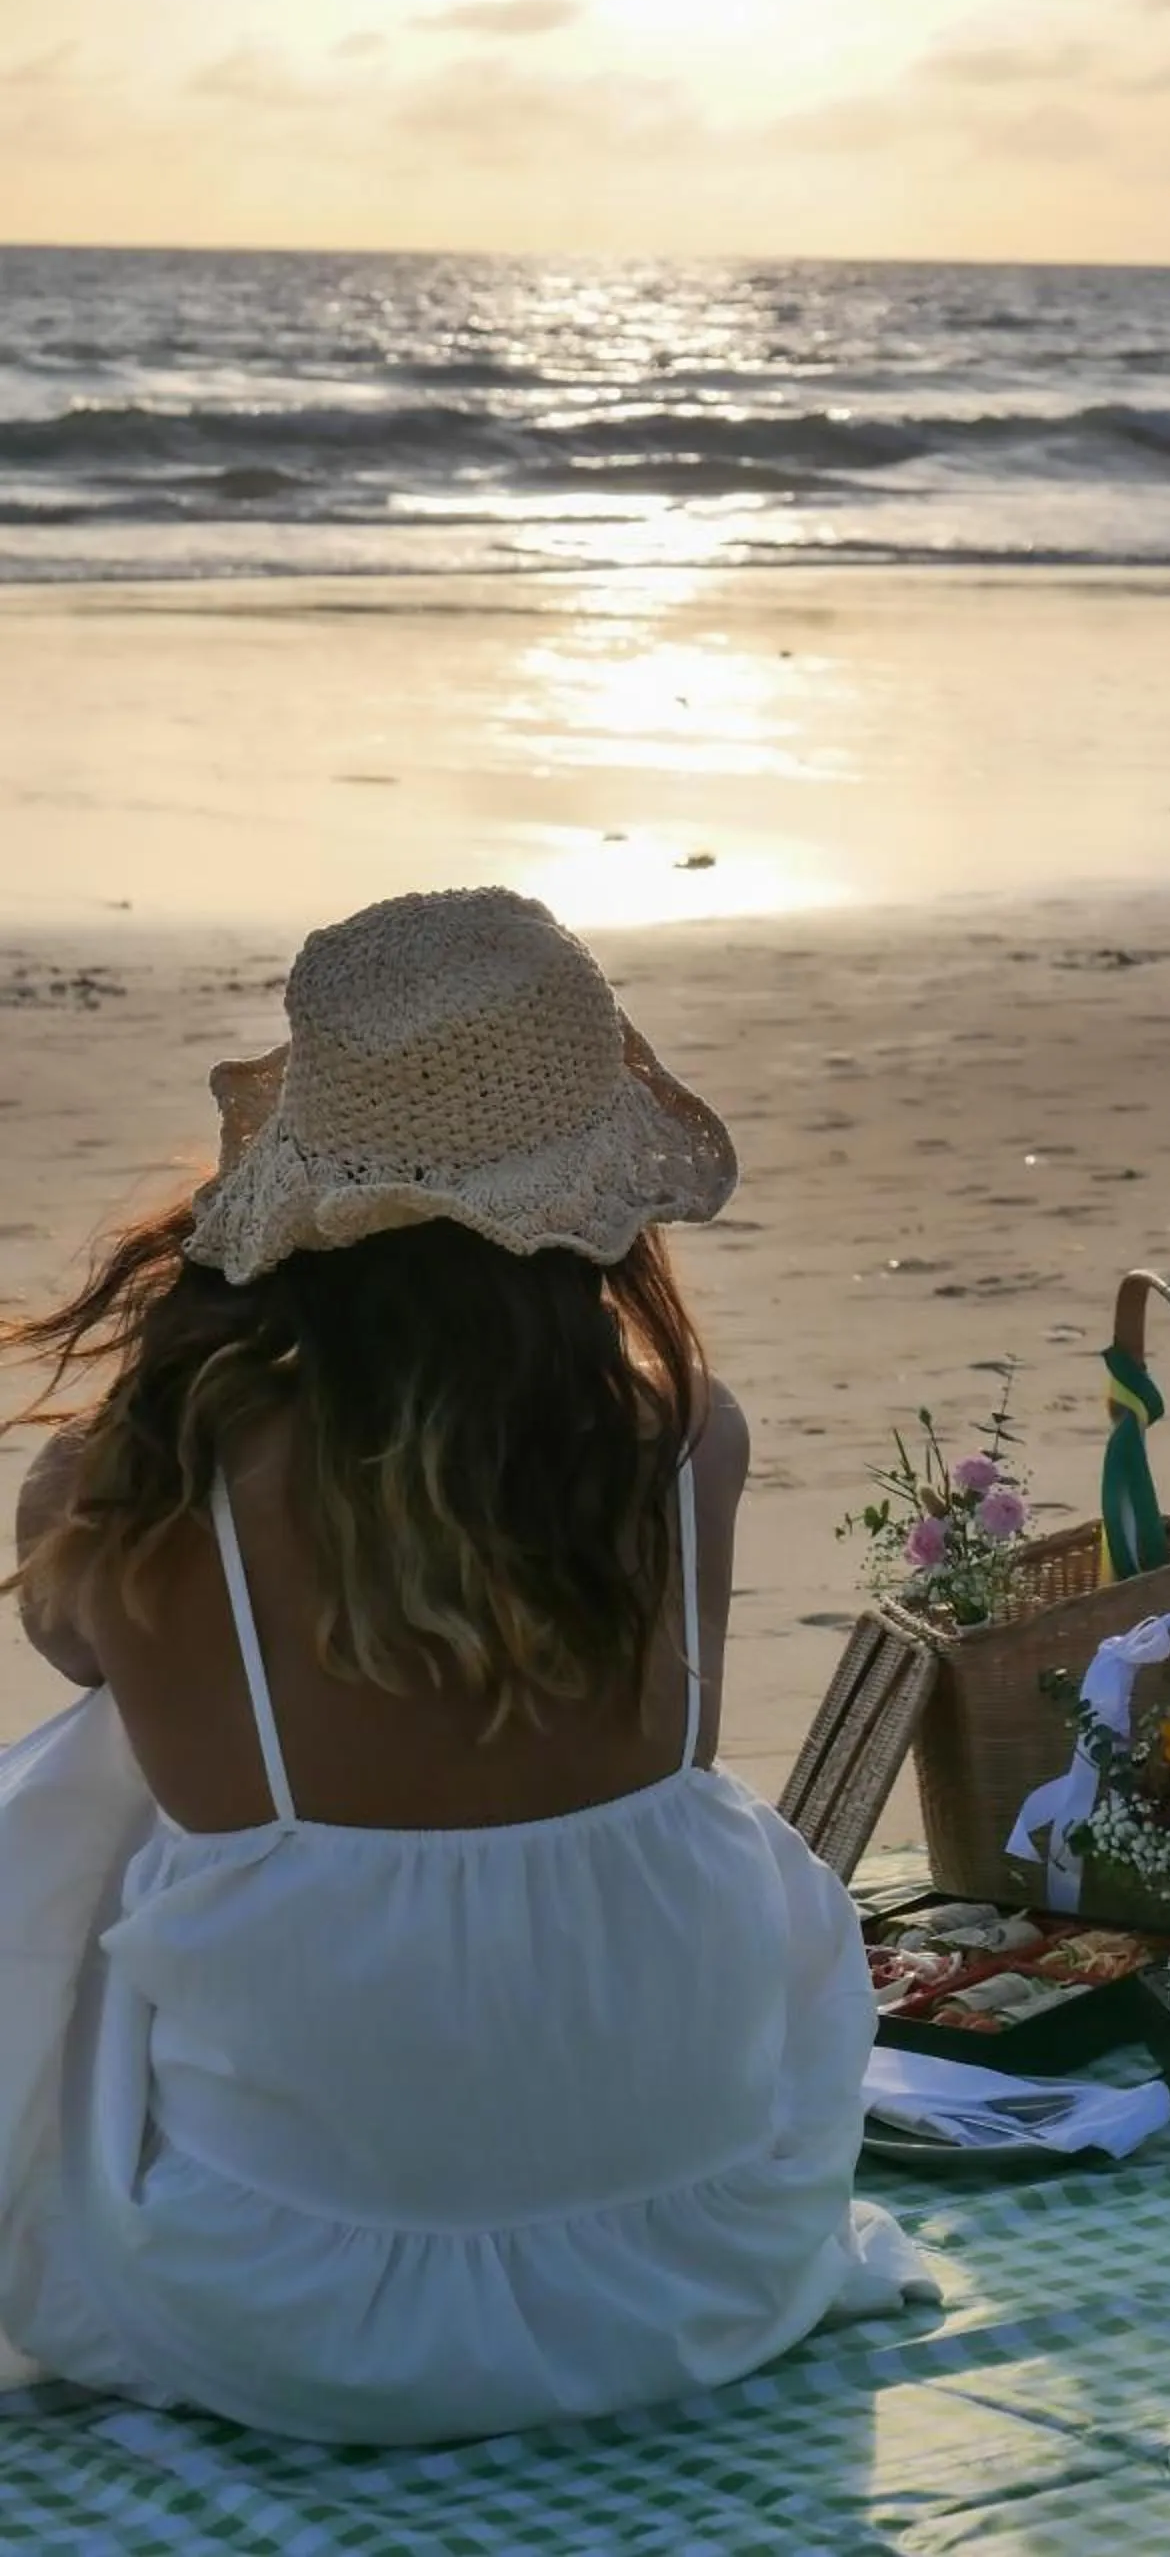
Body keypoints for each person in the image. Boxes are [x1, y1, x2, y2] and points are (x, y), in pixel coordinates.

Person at [0, 886, 933, 2443]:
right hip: (696, 2268)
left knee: (82, 1778)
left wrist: (117, 1446)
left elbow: (72, 1647)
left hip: (284, 2311)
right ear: (591, 1204)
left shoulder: (169, 1480)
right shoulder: (686, 1441)